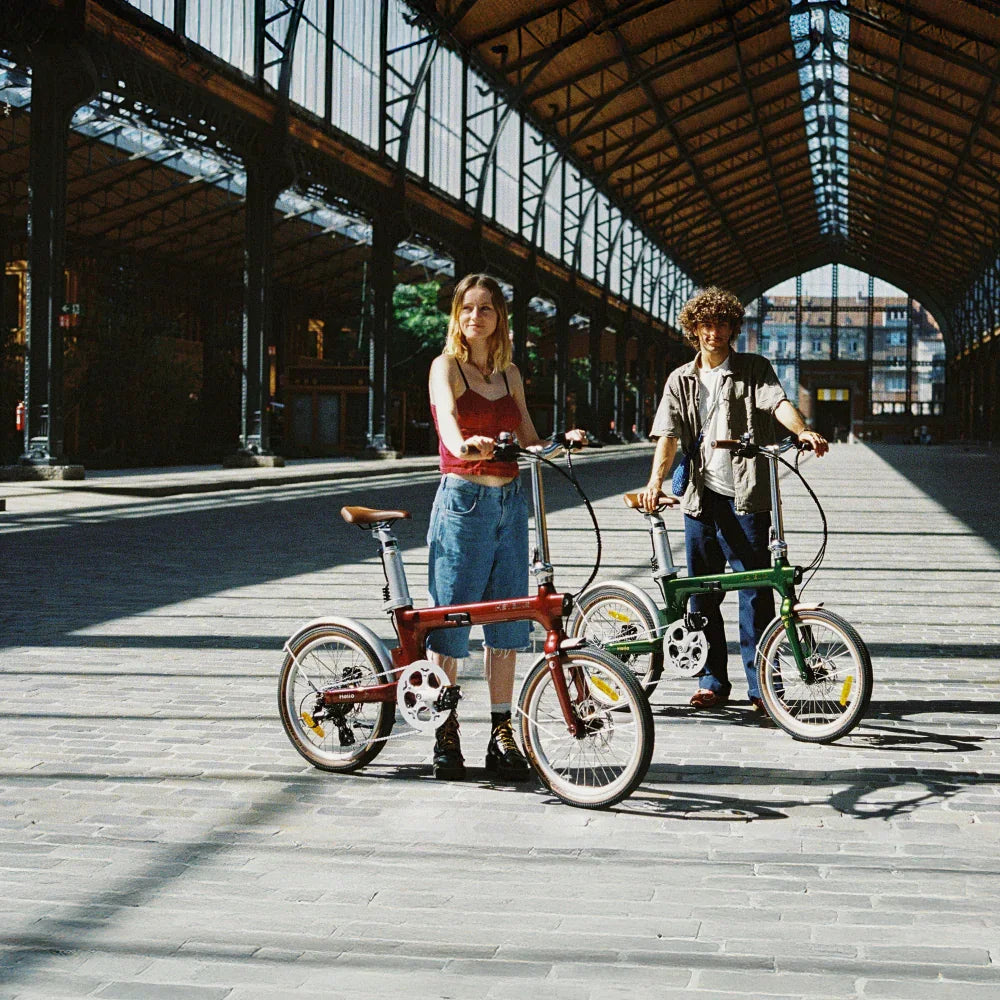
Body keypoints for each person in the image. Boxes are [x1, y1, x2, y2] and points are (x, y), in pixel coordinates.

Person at [637, 287, 828, 714]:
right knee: (702, 595)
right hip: (701, 501)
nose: (713, 332)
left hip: (747, 498)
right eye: (705, 325)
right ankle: (712, 681)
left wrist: (801, 431)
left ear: (733, 328)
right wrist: (655, 482)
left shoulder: (753, 368)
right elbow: (667, 435)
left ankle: (763, 687)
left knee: (757, 593)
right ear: (693, 330)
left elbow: (777, 402)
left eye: (722, 324)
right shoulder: (680, 380)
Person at [427, 273, 585, 780]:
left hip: (511, 506)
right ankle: (445, 729)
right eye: (468, 308)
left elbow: (530, 439)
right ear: (457, 316)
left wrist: (561, 441)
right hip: (464, 505)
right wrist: (463, 445)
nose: (476, 317)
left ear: (500, 319)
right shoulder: (445, 366)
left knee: (509, 625)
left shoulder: (510, 374)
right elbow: (449, 424)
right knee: (451, 624)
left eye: (486, 309)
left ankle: (501, 732)